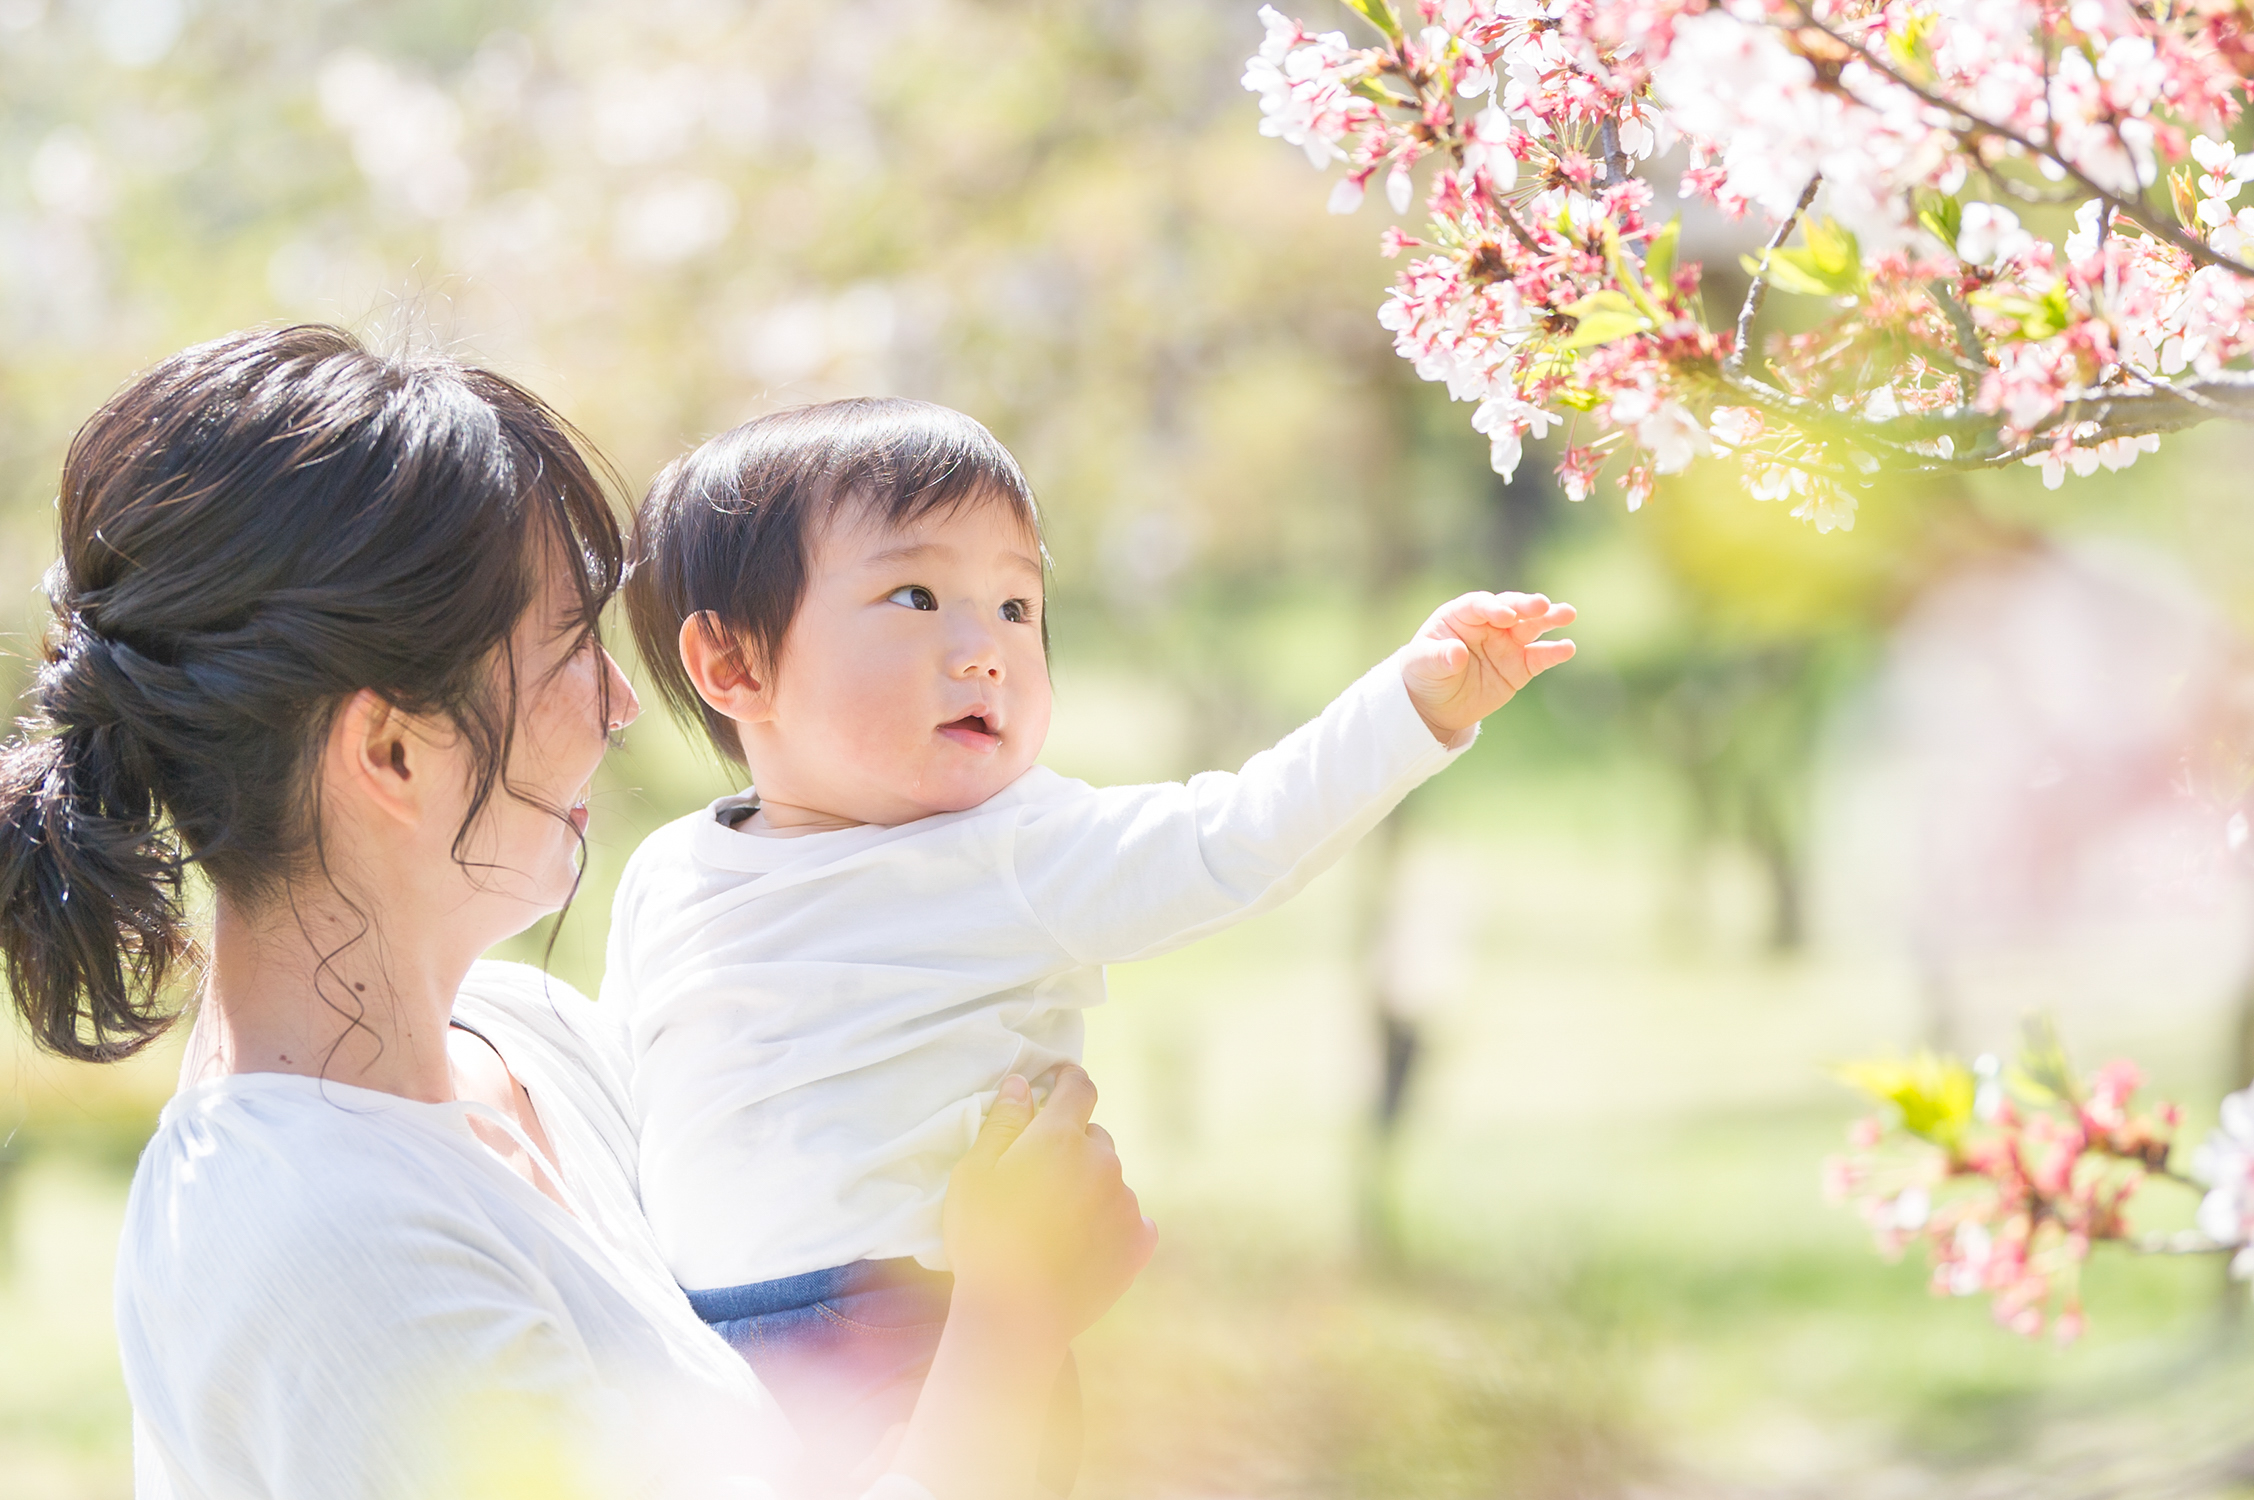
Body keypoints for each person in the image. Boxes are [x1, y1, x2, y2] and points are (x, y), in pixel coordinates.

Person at [0, 326, 1152, 1500]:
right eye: (566, 650)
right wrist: (1008, 1320)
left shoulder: (535, 1039)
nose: (620, 704)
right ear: (391, 749)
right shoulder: (318, 1240)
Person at [609, 397, 1578, 1472]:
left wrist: (1409, 708)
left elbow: (1236, 837)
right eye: (917, 595)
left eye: (1018, 607)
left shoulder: (1017, 847)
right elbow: (628, 1105)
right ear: (735, 666)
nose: (985, 651)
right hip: (701, 1347)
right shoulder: (667, 873)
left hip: (927, 1335)